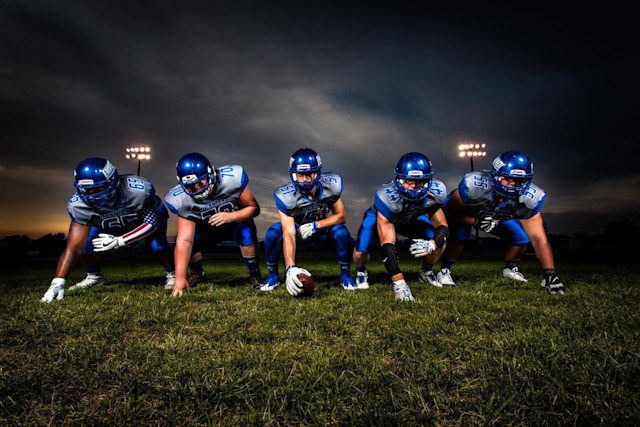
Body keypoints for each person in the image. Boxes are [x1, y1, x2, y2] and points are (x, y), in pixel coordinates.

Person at [41, 157, 175, 302]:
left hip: (142, 219)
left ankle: (173, 274)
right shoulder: (78, 206)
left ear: (113, 181)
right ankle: (94, 276)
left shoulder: (138, 190)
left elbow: (151, 224)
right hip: (108, 224)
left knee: (157, 244)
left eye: (98, 188)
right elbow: (73, 248)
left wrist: (120, 241)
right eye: (87, 190)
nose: (92, 194)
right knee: (86, 244)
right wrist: (58, 281)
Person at [435, 151, 565, 293]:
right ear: (496, 175)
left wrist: (550, 273)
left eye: (519, 181)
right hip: (466, 213)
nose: (513, 185)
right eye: (508, 178)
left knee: (521, 238)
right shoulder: (474, 185)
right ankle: (444, 271)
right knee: (460, 234)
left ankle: (510, 269)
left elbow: (539, 238)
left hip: (497, 216)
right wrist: (475, 221)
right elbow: (447, 213)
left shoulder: (530, 198)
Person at [352, 152, 450, 301]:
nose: (413, 186)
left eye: (418, 181)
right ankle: (361, 271)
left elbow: (443, 227)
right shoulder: (386, 197)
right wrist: (399, 283)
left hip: (409, 220)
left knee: (439, 239)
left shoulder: (436, 192)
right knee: (362, 249)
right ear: (398, 179)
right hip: (383, 217)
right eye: (408, 181)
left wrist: (432, 243)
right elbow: (387, 245)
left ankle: (426, 272)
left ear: (428, 180)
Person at [260, 148, 356, 296]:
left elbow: (341, 216)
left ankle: (345, 276)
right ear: (293, 175)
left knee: (342, 232)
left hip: (321, 229)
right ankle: (273, 275)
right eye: (300, 175)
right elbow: (289, 233)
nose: (304, 179)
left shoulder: (330, 185)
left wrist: (317, 225)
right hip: (298, 230)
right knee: (272, 234)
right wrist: (290, 267)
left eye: (308, 174)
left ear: (317, 173)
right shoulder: (285, 196)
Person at [164, 152, 262, 296]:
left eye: (200, 182)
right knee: (188, 242)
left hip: (234, 224)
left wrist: (231, 216)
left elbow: (254, 208)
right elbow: (184, 240)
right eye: (191, 186)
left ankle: (254, 272)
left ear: (211, 174)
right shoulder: (180, 199)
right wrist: (179, 278)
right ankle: (197, 273)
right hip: (206, 229)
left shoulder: (232, 179)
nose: (197, 188)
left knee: (247, 231)